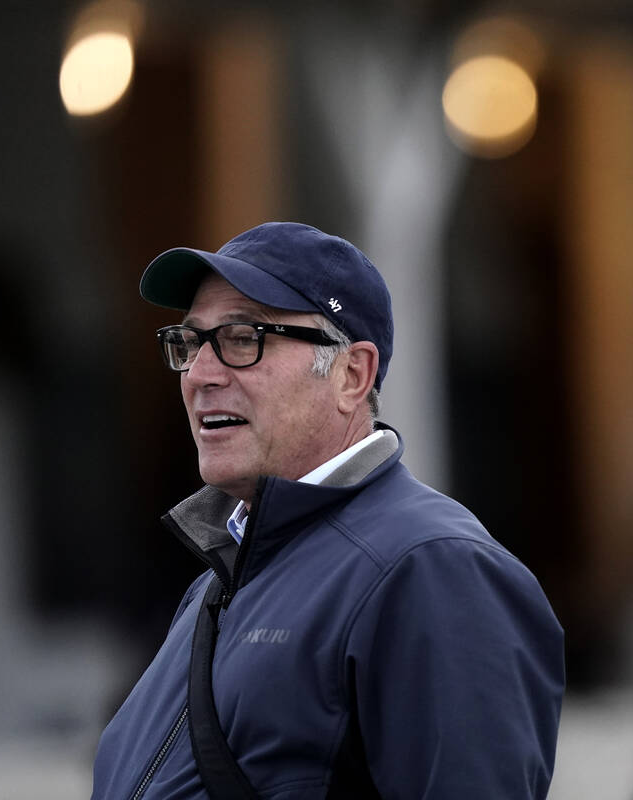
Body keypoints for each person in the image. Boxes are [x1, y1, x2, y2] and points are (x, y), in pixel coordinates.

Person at [91, 222, 565, 799]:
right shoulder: (216, 586)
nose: (200, 375)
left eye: (243, 338)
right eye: (189, 344)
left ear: (352, 375)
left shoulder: (434, 567)